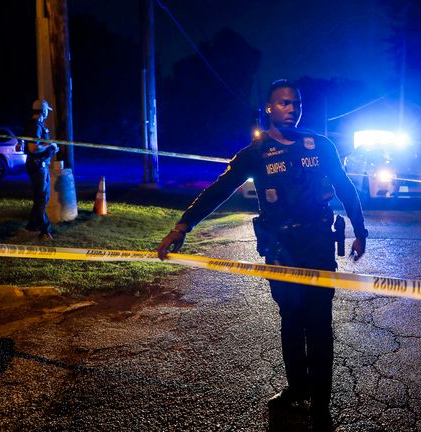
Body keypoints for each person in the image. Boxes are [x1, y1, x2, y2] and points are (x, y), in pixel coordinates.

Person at [157, 79, 368, 430]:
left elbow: (346, 188)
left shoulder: (322, 146)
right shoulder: (255, 154)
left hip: (317, 246)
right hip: (281, 250)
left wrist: (360, 232)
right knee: (291, 319)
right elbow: (219, 191)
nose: (291, 109)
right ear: (269, 108)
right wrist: (182, 227)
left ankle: (321, 405)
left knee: (319, 325)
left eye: (296, 104)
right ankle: (297, 389)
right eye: (284, 103)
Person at [24, 99, 58, 240]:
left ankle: (32, 225)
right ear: (43, 111)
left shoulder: (36, 125)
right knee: (42, 199)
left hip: (39, 164)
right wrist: (50, 145)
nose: (47, 113)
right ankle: (45, 230)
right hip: (38, 165)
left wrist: (50, 146)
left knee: (41, 197)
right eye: (46, 111)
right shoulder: (35, 126)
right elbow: (34, 147)